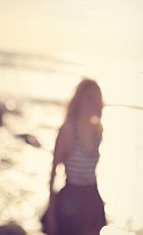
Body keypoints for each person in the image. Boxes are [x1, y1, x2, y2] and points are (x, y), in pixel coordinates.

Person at [41, 78, 106, 235]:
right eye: (89, 97)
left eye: (96, 98)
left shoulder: (98, 128)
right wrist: (51, 214)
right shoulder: (68, 129)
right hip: (71, 200)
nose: (93, 102)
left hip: (92, 197)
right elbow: (53, 172)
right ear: (80, 99)